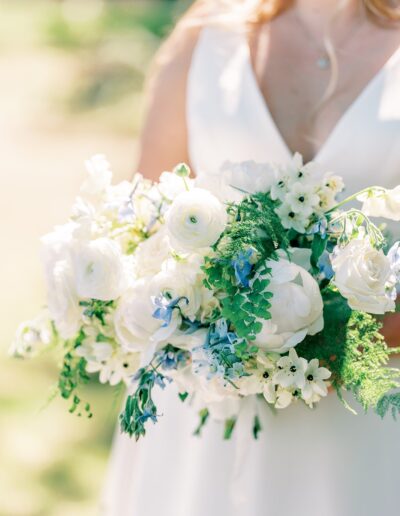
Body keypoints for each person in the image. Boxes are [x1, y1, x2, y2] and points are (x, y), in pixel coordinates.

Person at [102, 1, 400, 515]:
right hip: (205, 421)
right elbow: (145, 231)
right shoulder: (206, 40)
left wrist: (340, 340)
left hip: (369, 413)